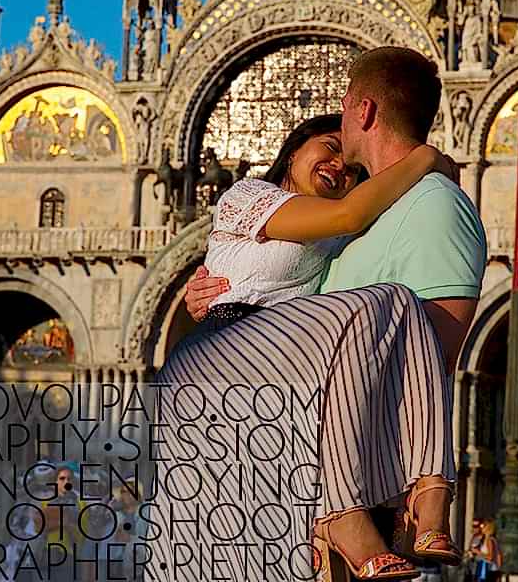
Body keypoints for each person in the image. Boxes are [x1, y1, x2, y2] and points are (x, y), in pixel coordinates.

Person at [162, 47, 487, 582]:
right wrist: (428, 157)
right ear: (290, 153)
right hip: (228, 360)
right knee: (384, 303)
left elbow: (432, 355)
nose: (338, 162)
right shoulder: (251, 197)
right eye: (325, 147)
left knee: (386, 307)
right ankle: (378, 505)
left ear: (360, 111)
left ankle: (411, 502)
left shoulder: (359, 231)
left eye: (343, 148)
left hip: (285, 450)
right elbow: (350, 213)